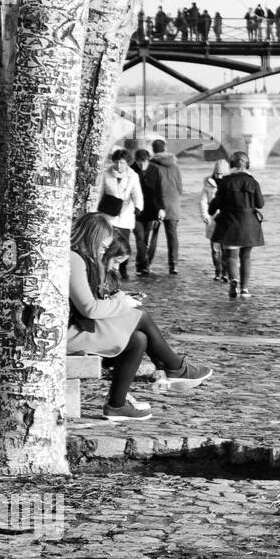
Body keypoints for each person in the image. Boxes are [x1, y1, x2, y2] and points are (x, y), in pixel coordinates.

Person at [69, 213, 213, 421]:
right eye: (102, 246)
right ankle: (175, 367)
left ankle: (116, 405)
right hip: (70, 334)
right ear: (91, 237)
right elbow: (89, 309)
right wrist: (123, 304)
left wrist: (119, 299)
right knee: (140, 316)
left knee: (139, 339)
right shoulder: (74, 259)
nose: (102, 252)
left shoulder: (82, 259)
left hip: (80, 328)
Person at [210, 151, 265, 299]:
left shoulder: (226, 181)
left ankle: (233, 279)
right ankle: (245, 289)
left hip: (229, 222)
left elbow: (216, 203)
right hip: (249, 224)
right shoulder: (253, 182)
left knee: (231, 257)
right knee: (246, 256)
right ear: (247, 165)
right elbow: (260, 203)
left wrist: (211, 210)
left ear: (232, 165)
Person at [99, 149, 144, 280]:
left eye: (122, 163)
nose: (119, 166)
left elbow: (137, 193)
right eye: (117, 162)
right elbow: (100, 192)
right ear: (113, 162)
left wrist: (138, 206)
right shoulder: (105, 174)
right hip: (108, 213)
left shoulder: (133, 175)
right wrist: (95, 210)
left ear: (127, 163)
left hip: (125, 214)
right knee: (108, 242)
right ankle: (106, 268)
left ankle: (123, 269)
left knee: (123, 245)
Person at [149, 139, 184, 275]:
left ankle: (146, 263)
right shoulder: (175, 166)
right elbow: (180, 188)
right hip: (173, 204)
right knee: (172, 235)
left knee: (153, 235)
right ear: (165, 148)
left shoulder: (151, 165)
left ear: (153, 149)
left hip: (156, 204)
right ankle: (173, 265)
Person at [131, 149, 162, 278]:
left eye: (144, 163)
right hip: (135, 211)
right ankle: (144, 266)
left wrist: (161, 208)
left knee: (147, 238)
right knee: (140, 237)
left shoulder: (154, 170)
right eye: (139, 163)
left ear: (148, 160)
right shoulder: (131, 170)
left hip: (151, 210)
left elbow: (159, 190)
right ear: (136, 161)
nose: (142, 166)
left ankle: (142, 265)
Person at [199, 158, 230, 281]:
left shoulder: (230, 183)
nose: (219, 176)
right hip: (212, 219)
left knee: (226, 247)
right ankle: (218, 271)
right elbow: (202, 201)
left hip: (227, 219)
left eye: (222, 174)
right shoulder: (208, 184)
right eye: (217, 173)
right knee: (215, 248)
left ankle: (225, 273)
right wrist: (204, 216)